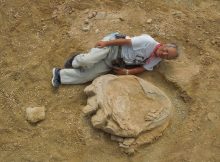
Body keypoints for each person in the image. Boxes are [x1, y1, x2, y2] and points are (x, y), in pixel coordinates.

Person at [52, 32, 178, 87]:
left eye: (167, 56)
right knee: (88, 60)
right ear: (164, 44)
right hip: (113, 46)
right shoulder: (148, 41)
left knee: (87, 76)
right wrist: (106, 44)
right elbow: (126, 41)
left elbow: (143, 68)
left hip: (115, 62)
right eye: (166, 50)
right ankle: (76, 59)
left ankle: (59, 75)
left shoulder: (157, 59)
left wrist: (127, 72)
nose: (164, 54)